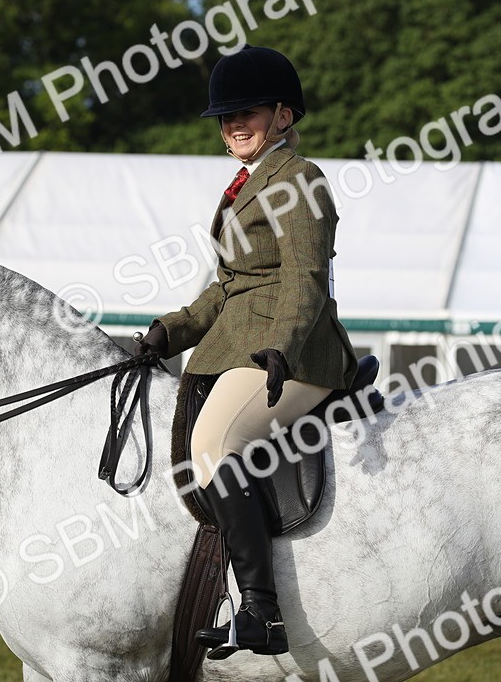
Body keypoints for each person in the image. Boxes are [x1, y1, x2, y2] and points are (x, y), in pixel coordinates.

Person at [138, 46, 358, 657]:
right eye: (226, 117)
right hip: (237, 346)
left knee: (213, 444)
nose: (235, 125)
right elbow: (232, 287)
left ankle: (263, 611)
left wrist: (281, 346)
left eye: (249, 113)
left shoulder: (301, 178)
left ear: (284, 116)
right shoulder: (246, 185)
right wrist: (170, 330)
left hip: (297, 354)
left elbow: (305, 278)